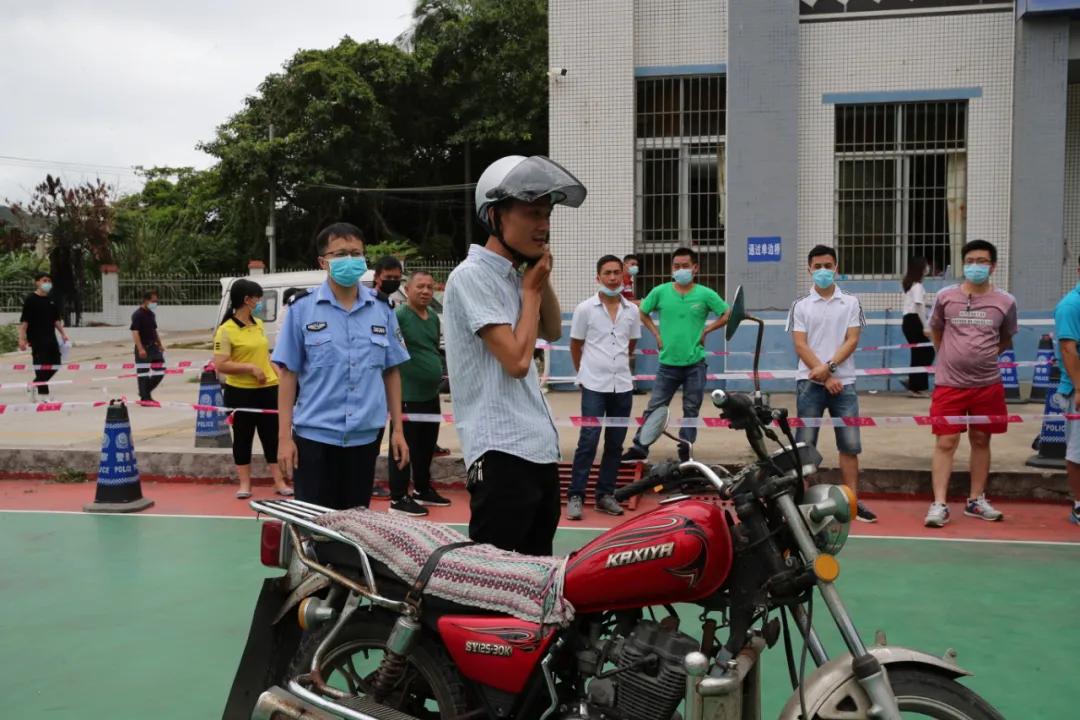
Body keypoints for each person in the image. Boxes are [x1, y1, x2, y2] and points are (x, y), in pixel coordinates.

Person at [444, 154, 585, 555]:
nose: (543, 226)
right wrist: (529, 290)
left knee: (536, 571)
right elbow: (518, 362)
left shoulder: (515, 276)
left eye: (547, 215)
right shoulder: (471, 276)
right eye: (532, 214)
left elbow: (553, 329)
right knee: (495, 584)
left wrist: (536, 278)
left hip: (537, 449)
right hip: (501, 452)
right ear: (495, 216)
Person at [272, 222, 410, 510]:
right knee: (314, 525)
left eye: (356, 253)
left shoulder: (383, 309)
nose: (350, 259)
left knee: (355, 524)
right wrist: (284, 438)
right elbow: (288, 375)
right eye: (341, 253)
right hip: (314, 439)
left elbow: (392, 371)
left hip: (364, 438)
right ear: (324, 262)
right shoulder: (301, 309)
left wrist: (398, 430)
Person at [924, 239, 1017, 528]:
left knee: (981, 439)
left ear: (993, 266)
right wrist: (951, 357)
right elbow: (936, 331)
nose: (976, 266)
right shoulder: (945, 297)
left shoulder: (1005, 301)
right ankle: (939, 503)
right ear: (963, 264)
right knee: (946, 441)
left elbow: (1005, 339)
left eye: (982, 261)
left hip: (987, 384)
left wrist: (982, 357)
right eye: (971, 261)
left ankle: (976, 499)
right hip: (949, 384)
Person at [787, 245, 876, 523]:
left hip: (844, 384)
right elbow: (800, 345)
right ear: (809, 269)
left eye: (828, 265)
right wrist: (824, 376)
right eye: (818, 266)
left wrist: (831, 369)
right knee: (806, 447)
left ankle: (851, 502)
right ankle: (808, 503)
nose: (823, 270)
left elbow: (852, 339)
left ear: (837, 267)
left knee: (849, 445)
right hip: (809, 383)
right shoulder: (800, 305)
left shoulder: (850, 302)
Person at [622, 247, 728, 462]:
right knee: (655, 407)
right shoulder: (660, 292)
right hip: (667, 364)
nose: (681, 270)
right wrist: (656, 333)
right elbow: (642, 312)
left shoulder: (705, 294)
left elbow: (726, 313)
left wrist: (707, 329)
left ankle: (685, 451)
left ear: (695, 268)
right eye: (676, 266)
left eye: (685, 266)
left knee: (691, 410)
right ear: (672, 268)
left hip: (695, 364)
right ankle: (639, 447)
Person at [566, 255, 641, 521]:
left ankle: (604, 494)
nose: (612, 278)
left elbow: (630, 345)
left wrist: (618, 365)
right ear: (598, 277)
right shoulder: (585, 309)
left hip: (622, 384)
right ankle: (576, 495)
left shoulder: (631, 311)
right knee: (588, 440)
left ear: (623, 276)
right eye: (607, 273)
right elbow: (575, 345)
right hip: (594, 385)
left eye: (616, 273)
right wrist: (584, 372)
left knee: (615, 443)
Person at [213, 279, 292, 499]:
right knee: (243, 437)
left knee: (271, 437)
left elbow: (264, 355)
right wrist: (249, 368)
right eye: (257, 298)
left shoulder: (257, 323)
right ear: (247, 300)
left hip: (268, 389)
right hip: (241, 392)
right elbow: (220, 364)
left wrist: (277, 371)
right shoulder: (225, 330)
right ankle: (245, 483)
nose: (259, 302)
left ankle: (279, 481)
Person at [388, 270, 452, 516]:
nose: (426, 291)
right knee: (403, 446)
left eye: (430, 287)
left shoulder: (433, 318)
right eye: (420, 287)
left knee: (426, 446)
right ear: (407, 289)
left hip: (430, 395)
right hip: (406, 397)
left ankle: (422, 489)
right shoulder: (400, 315)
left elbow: (433, 348)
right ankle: (398, 497)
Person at [371, 255, 405, 498]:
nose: (392, 281)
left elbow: (393, 365)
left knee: (373, 444)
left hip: (378, 400)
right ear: (377, 277)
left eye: (396, 278)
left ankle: (369, 480)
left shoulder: (389, 308)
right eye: (388, 278)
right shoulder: (369, 305)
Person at [1053, 262, 1080, 526]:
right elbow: (1068, 350)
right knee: (1078, 451)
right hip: (1076, 389)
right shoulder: (1071, 305)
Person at [18, 272, 69, 399]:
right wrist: (22, 339)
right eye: (44, 280)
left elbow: (56, 320)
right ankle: (43, 396)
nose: (47, 283)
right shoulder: (31, 300)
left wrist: (63, 334)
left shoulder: (51, 301)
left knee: (56, 363)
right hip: (37, 339)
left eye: (49, 281)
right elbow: (25, 322)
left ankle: (35, 384)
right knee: (41, 366)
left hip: (50, 338)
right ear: (37, 282)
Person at [901, 257, 934, 398]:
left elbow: (919, 304)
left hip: (909, 321)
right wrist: (925, 326)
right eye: (926, 265)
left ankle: (914, 383)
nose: (928, 268)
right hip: (915, 321)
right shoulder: (918, 286)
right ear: (921, 268)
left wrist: (930, 305)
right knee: (926, 352)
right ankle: (917, 387)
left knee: (919, 353)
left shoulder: (912, 285)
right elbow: (919, 306)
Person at [130, 289, 166, 402]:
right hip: (143, 347)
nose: (155, 303)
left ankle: (144, 392)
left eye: (156, 301)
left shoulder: (151, 314)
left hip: (153, 347)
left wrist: (160, 345)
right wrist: (140, 348)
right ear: (146, 300)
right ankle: (146, 398)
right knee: (143, 374)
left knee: (160, 370)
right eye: (153, 301)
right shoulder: (137, 315)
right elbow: (135, 332)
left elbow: (154, 331)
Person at [621, 253, 646, 394]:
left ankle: (631, 385)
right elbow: (621, 302)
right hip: (622, 323)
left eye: (636, 265)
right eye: (632, 264)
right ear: (624, 265)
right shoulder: (621, 281)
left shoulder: (629, 282)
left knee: (630, 352)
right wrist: (640, 302)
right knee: (625, 353)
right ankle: (627, 386)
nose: (635, 267)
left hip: (630, 321)